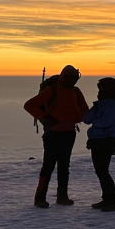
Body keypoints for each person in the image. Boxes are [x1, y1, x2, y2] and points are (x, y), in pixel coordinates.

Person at [24, 65, 89, 208]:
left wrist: (74, 118)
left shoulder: (75, 92)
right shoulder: (51, 90)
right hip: (53, 134)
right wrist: (44, 118)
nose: (73, 81)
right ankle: (41, 198)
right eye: (71, 78)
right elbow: (29, 105)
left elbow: (84, 110)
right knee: (49, 165)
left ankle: (61, 196)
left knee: (63, 165)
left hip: (68, 133)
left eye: (74, 78)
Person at [82, 77, 115, 211]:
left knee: (103, 171)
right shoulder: (101, 103)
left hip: (106, 140)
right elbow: (86, 119)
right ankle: (107, 199)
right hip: (97, 140)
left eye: (102, 88)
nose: (99, 91)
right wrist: (95, 115)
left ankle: (112, 201)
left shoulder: (113, 105)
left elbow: (104, 122)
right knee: (100, 171)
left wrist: (95, 118)